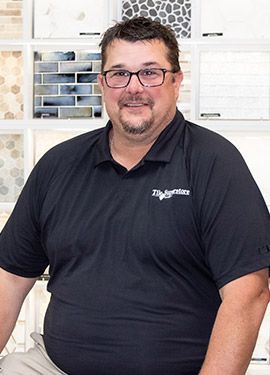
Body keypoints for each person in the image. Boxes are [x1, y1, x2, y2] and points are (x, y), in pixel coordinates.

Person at [0, 16, 270, 375]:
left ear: (176, 81)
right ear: (102, 84)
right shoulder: (58, 165)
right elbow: (10, 278)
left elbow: (248, 294)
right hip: (54, 366)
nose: (134, 88)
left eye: (150, 72)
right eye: (119, 74)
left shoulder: (214, 163)